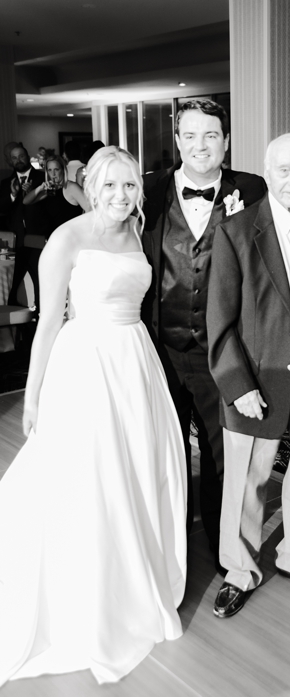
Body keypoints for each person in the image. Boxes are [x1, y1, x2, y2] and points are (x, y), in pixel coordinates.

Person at [0, 147, 187, 685]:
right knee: (93, 478)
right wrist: (33, 397)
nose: (122, 197)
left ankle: (135, 576)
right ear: (91, 186)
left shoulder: (137, 233)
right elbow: (48, 325)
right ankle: (93, 591)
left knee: (135, 472)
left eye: (131, 187)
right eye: (111, 187)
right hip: (87, 365)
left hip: (136, 362)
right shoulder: (68, 238)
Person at [206, 134, 290, 619]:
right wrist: (237, 384)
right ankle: (239, 571)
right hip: (258, 374)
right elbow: (219, 323)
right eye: (284, 171)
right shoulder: (237, 232)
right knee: (248, 478)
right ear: (267, 172)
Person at [141, 99, 267, 571]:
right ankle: (167, 548)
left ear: (226, 141)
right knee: (165, 454)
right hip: (160, 350)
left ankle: (222, 550)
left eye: (210, 135)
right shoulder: (148, 191)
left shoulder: (250, 190)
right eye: (190, 135)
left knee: (221, 455)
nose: (200, 145)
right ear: (177, 141)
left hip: (223, 349)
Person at [0, 142, 46, 304]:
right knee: (12, 285)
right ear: (10, 161)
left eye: (21, 156)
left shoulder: (42, 178)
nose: (18, 160)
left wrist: (34, 194)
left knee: (41, 283)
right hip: (14, 243)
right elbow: (1, 210)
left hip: (38, 240)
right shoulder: (6, 184)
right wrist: (12, 196)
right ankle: (18, 326)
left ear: (27, 156)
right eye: (14, 158)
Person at [21, 155, 91, 238]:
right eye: (50, 170)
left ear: (63, 170)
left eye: (56, 169)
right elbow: (25, 201)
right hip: (52, 239)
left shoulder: (71, 187)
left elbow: (90, 210)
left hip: (69, 238)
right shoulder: (50, 189)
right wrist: (40, 188)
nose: (53, 174)